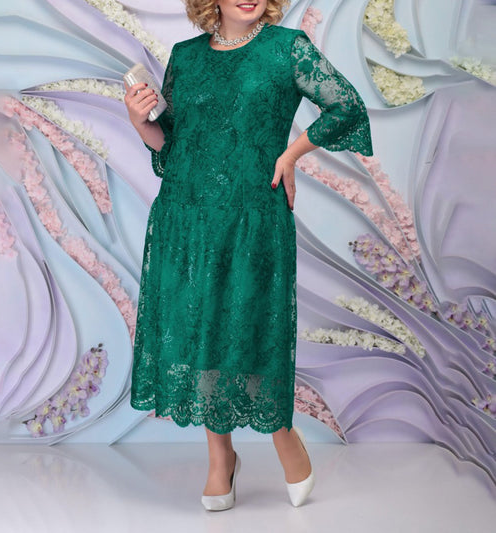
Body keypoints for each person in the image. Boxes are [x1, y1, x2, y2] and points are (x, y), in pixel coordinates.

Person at [124, 0, 373, 511]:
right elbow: (172, 148)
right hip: (186, 216)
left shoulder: (287, 49)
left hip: (254, 213)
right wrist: (137, 120)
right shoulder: (186, 56)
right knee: (202, 327)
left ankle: (283, 434)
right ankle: (221, 457)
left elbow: (347, 106)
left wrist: (291, 154)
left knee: (254, 323)